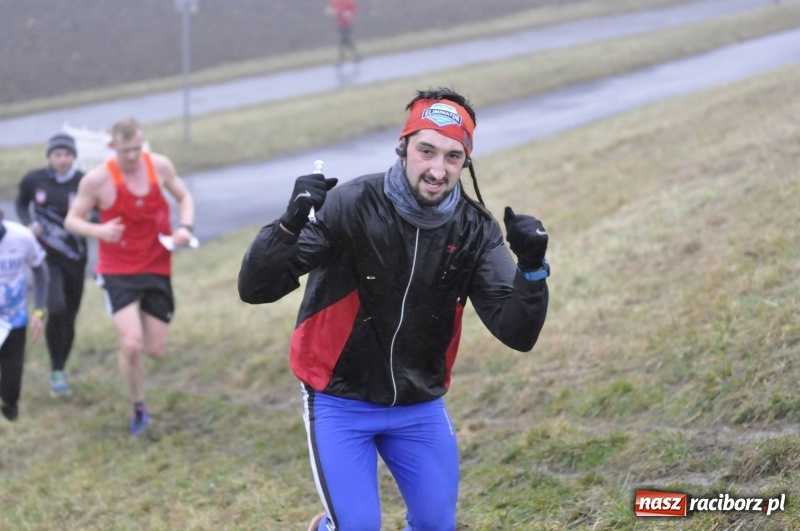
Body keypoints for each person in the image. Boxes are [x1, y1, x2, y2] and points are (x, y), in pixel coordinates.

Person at [238, 87, 549, 530]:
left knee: (436, 525)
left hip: (418, 403)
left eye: (453, 157)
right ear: (403, 148)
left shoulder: (476, 229)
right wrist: (288, 225)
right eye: (427, 151)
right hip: (338, 397)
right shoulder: (350, 205)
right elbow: (256, 288)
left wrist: (533, 269)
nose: (438, 170)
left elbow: (517, 333)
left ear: (466, 162)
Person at [64, 118, 195, 436]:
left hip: (156, 266)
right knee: (132, 344)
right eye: (126, 151)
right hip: (117, 270)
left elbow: (184, 198)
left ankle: (138, 381)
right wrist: (99, 230)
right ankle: (139, 408)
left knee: (155, 350)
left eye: (137, 148)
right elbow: (72, 220)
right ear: (113, 148)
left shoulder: (160, 166)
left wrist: (184, 227)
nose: (133, 156)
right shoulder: (97, 180)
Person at [15, 132, 89, 398]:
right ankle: (56, 369)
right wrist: (29, 224)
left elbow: (99, 209)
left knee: (69, 316)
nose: (62, 159)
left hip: (76, 259)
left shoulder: (84, 182)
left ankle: (60, 368)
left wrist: (90, 223)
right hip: (47, 259)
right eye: (57, 154)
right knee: (55, 309)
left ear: (73, 156)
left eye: (67, 154)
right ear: (50, 156)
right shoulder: (35, 180)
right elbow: (21, 203)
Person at [0, 209, 48, 422]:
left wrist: (38, 310)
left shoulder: (21, 236)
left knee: (11, 385)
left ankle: (9, 402)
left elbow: (40, 271)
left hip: (14, 319)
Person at [325, 0, 360, 65]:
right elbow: (330, 10)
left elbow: (355, 9)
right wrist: (332, 12)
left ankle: (341, 58)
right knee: (345, 40)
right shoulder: (334, 1)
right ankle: (355, 53)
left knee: (343, 39)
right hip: (340, 24)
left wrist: (349, 13)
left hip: (348, 23)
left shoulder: (349, 1)